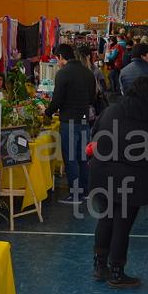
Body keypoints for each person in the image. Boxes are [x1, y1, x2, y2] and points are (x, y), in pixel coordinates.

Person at [89, 77, 148, 288]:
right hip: (132, 180)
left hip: (102, 174)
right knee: (122, 225)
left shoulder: (112, 110)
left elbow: (95, 134)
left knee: (106, 219)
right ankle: (117, 272)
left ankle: (100, 266)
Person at [45, 44, 96, 204]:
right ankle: (85, 191)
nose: (57, 62)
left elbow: (57, 100)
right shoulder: (88, 72)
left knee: (71, 158)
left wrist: (47, 112)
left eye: (57, 59)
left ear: (61, 57)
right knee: (83, 157)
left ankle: (75, 195)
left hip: (69, 121)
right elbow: (92, 98)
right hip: (84, 120)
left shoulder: (63, 74)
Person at [76, 45, 108, 118]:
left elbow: (103, 89)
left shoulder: (95, 71)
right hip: (90, 108)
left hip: (89, 108)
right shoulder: (96, 71)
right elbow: (104, 88)